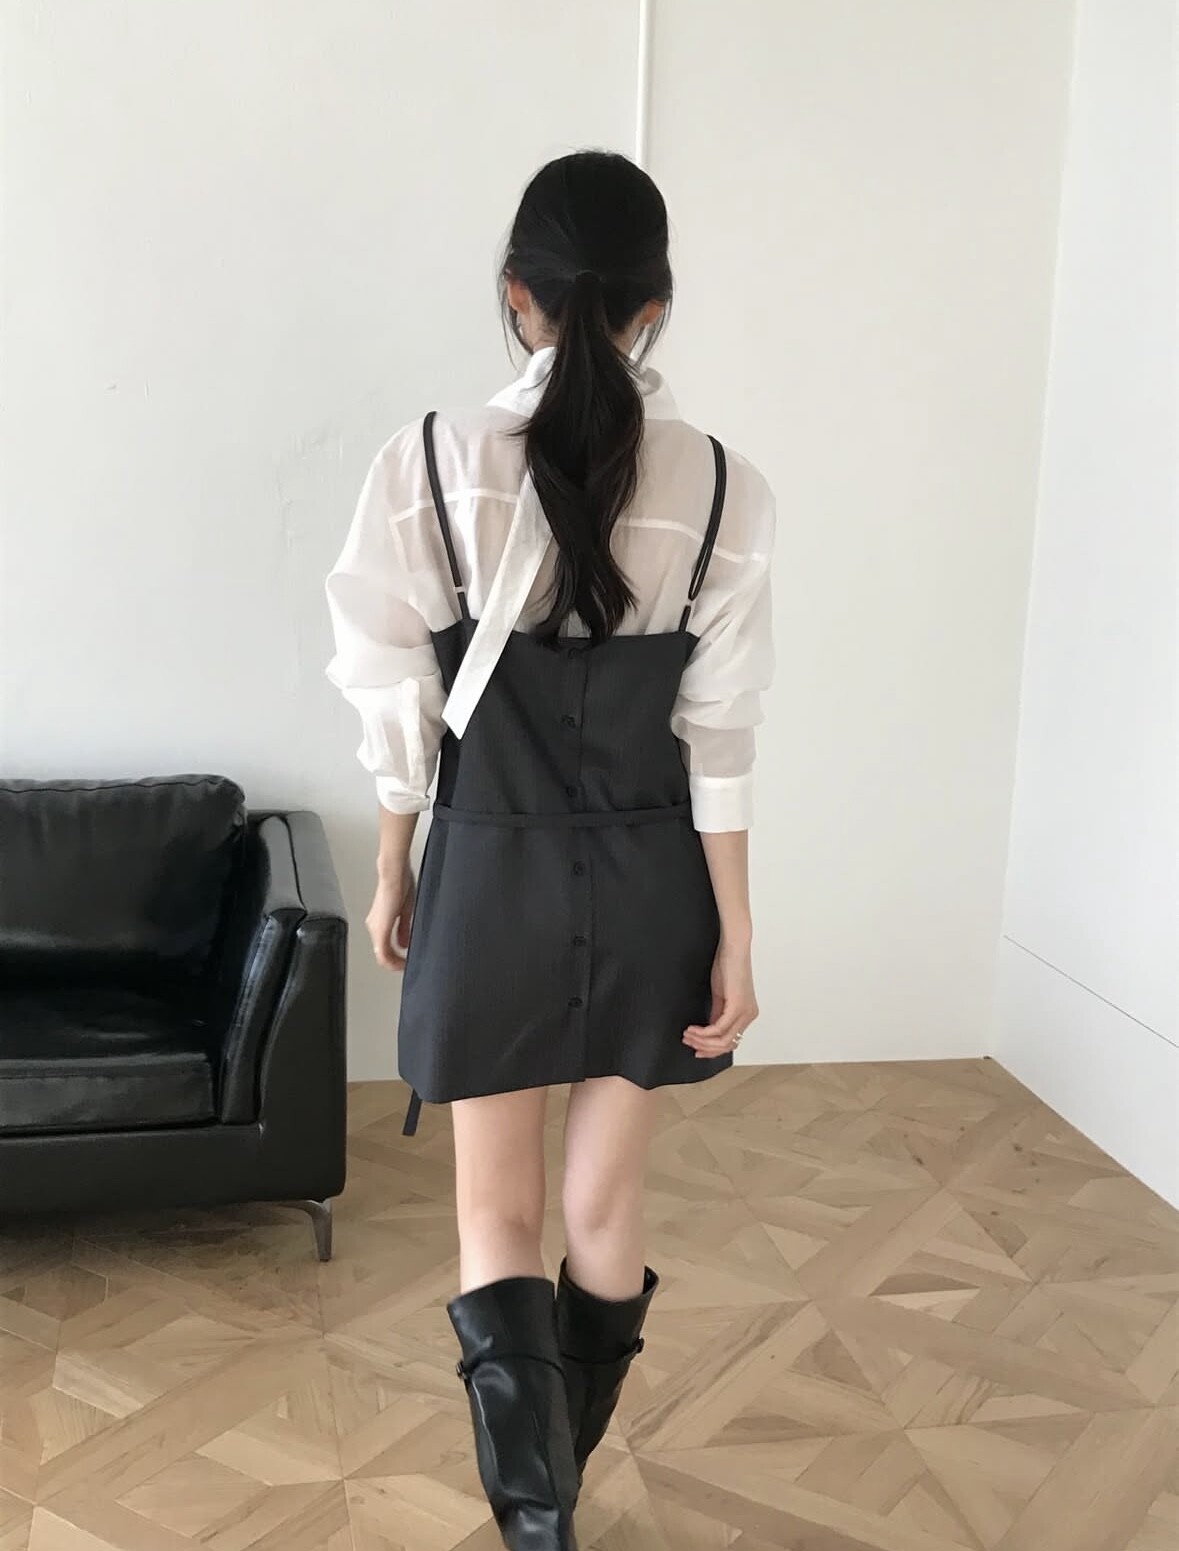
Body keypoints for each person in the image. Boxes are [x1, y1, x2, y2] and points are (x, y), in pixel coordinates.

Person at [325, 149, 775, 1551]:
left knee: (496, 1211)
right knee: (604, 1207)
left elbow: (394, 699)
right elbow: (718, 735)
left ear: (516, 293)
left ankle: (540, 1521)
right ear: (656, 306)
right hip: (651, 886)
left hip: (492, 875)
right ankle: (554, 1495)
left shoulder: (428, 464)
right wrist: (737, 933)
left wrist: (394, 868)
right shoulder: (724, 488)